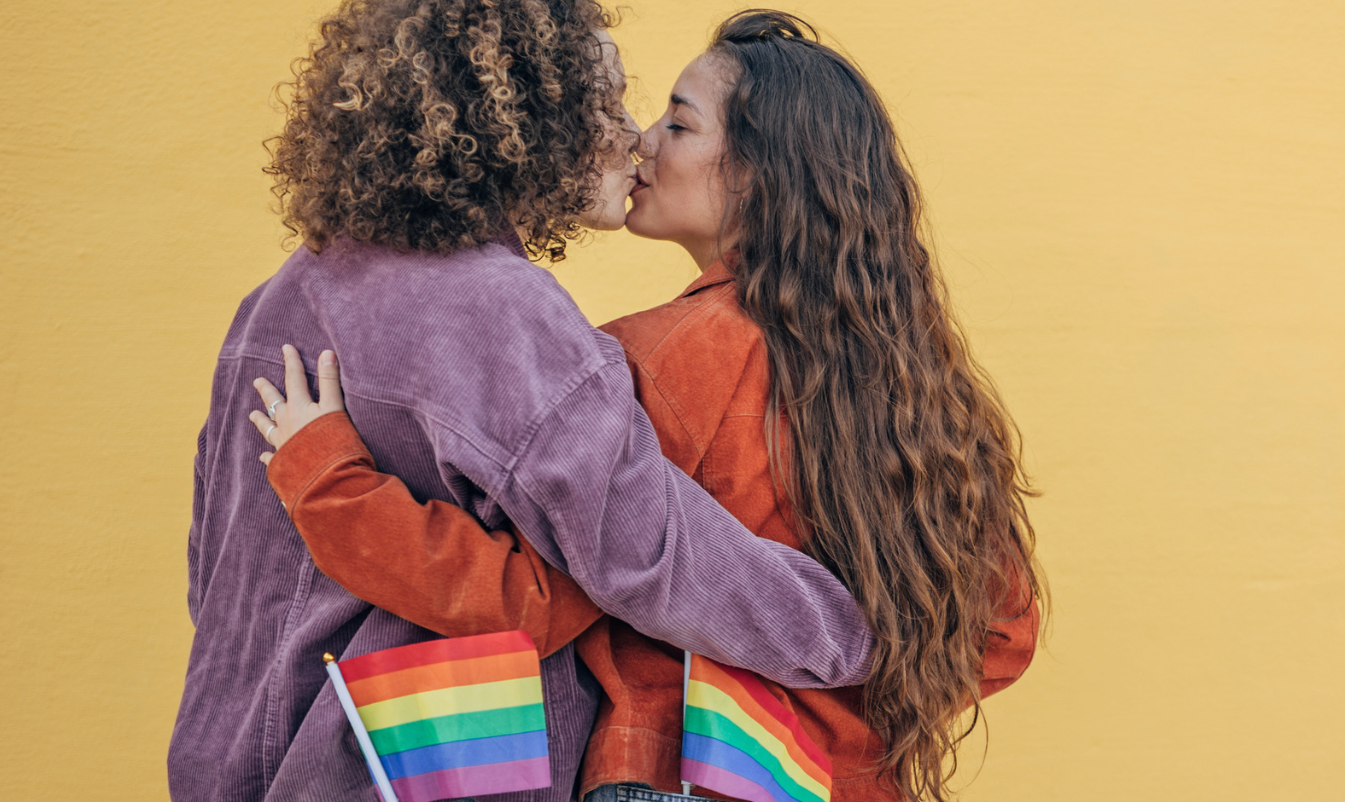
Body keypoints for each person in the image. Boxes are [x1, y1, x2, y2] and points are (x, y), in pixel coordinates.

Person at [248, 9, 1044, 802]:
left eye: (679, 122)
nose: (642, 141)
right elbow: (1001, 636)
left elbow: (529, 599)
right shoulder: (925, 391)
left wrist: (328, 482)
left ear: (755, 175)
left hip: (682, 773)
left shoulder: (658, 362)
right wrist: (858, 687)